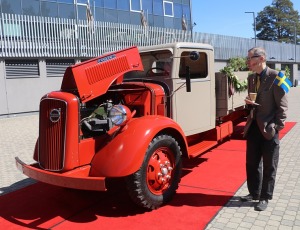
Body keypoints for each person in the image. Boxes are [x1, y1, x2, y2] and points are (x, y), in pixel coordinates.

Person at [241, 47, 288, 211]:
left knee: (270, 165)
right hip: (253, 127)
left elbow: (283, 108)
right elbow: (253, 103)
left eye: (250, 59)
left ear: (261, 58)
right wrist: (248, 104)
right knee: (252, 163)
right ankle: (254, 192)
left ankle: (265, 197)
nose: (248, 62)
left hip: (269, 129)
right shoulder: (251, 78)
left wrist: (276, 128)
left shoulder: (278, 77)